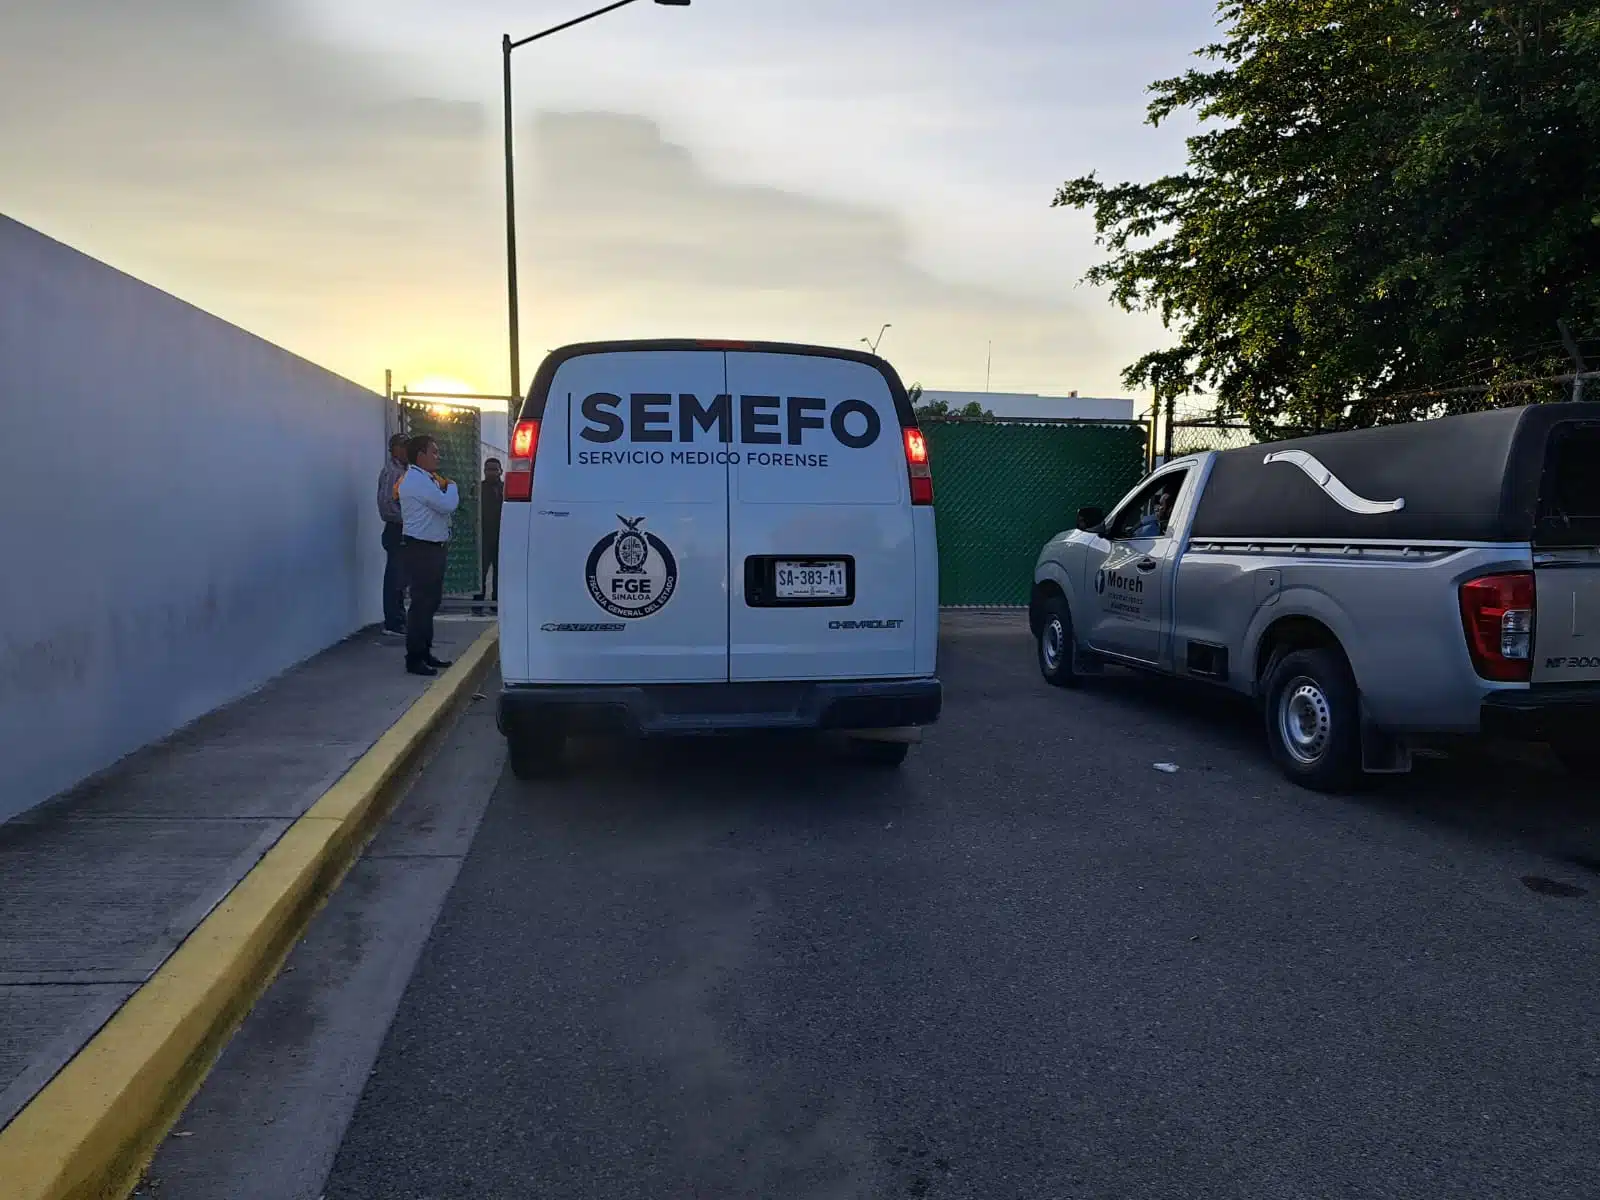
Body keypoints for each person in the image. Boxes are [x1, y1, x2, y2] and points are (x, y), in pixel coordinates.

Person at [398, 435, 459, 677]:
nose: (438, 456)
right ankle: (414, 658)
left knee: (430, 602)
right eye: (434, 452)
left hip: (432, 547)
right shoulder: (416, 481)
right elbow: (446, 505)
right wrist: (452, 487)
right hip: (422, 548)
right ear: (420, 455)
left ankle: (425, 652)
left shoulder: (425, 480)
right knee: (421, 604)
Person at [376, 434, 410, 635]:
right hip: (396, 528)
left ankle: (399, 618)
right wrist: (406, 519)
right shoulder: (392, 473)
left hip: (403, 528)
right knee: (395, 577)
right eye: (404, 447)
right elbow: (386, 505)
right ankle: (393, 622)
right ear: (395, 449)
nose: (407, 452)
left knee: (402, 577)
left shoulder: (404, 471)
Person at [474, 457, 504, 614]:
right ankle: (477, 605)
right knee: (481, 573)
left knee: (500, 573)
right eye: (488, 469)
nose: (491, 472)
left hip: (501, 538)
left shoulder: (506, 489)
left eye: (494, 469)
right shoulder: (479, 489)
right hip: (483, 538)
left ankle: (495, 604)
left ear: (501, 471)